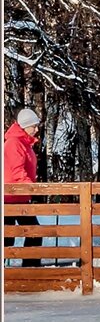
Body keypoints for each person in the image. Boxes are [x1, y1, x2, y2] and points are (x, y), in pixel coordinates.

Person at [4, 107, 43, 267]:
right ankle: (26, 268)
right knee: (9, 236)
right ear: (24, 126)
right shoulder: (14, 143)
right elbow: (17, 171)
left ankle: (30, 267)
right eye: (33, 126)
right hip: (9, 198)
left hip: (20, 198)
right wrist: (31, 187)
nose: (36, 129)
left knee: (33, 231)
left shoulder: (24, 144)